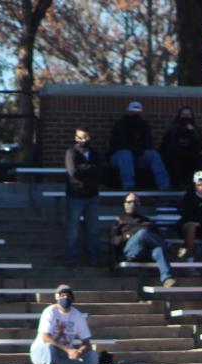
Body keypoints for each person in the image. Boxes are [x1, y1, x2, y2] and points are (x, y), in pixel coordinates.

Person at [110, 193, 175, 287]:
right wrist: (126, 236)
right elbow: (113, 240)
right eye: (129, 202)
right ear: (124, 204)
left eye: (135, 202)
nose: (132, 204)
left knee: (159, 250)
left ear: (139, 204)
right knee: (143, 233)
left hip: (146, 252)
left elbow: (157, 237)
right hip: (130, 251)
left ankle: (167, 278)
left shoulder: (146, 221)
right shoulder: (119, 220)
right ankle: (170, 247)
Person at [107, 100, 170, 191]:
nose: (135, 114)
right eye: (133, 112)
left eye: (137, 112)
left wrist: (139, 150)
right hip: (119, 158)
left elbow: (148, 143)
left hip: (138, 156)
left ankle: (164, 186)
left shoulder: (144, 125)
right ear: (128, 111)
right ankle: (128, 186)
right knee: (126, 154)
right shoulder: (120, 125)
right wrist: (136, 149)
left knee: (153, 154)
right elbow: (120, 144)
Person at [31, 283, 94, 364]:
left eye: (68, 295)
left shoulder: (78, 316)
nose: (65, 298)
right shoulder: (50, 311)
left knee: (92, 354)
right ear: (57, 297)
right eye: (62, 295)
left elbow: (87, 343)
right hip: (42, 353)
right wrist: (68, 350)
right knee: (50, 347)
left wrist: (79, 352)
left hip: (64, 355)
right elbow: (46, 337)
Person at [63, 126, 101, 267]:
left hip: (92, 195)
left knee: (93, 229)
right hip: (75, 196)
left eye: (86, 137)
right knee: (73, 229)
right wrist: (90, 168)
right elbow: (74, 172)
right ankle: (70, 258)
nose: (84, 140)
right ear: (75, 138)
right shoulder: (71, 153)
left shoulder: (94, 153)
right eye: (80, 137)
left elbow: (100, 169)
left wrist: (84, 168)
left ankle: (94, 257)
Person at [158, 105, 202, 188]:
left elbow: (198, 148)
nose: (186, 117)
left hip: (190, 157)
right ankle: (177, 183)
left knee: (199, 160)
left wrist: (191, 133)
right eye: (183, 114)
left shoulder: (196, 130)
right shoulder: (173, 130)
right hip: (175, 157)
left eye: (188, 115)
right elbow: (166, 146)